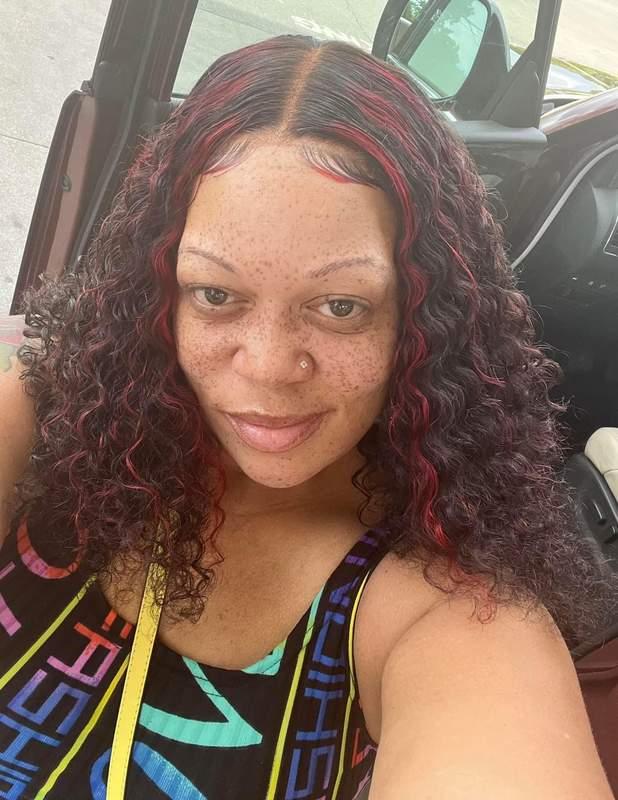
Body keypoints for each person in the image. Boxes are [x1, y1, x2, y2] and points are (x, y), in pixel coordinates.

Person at [0, 35, 615, 799]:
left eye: (341, 306)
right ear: (159, 290)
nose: (267, 367)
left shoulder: (438, 604)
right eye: (216, 294)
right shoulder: (45, 413)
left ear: (423, 321)